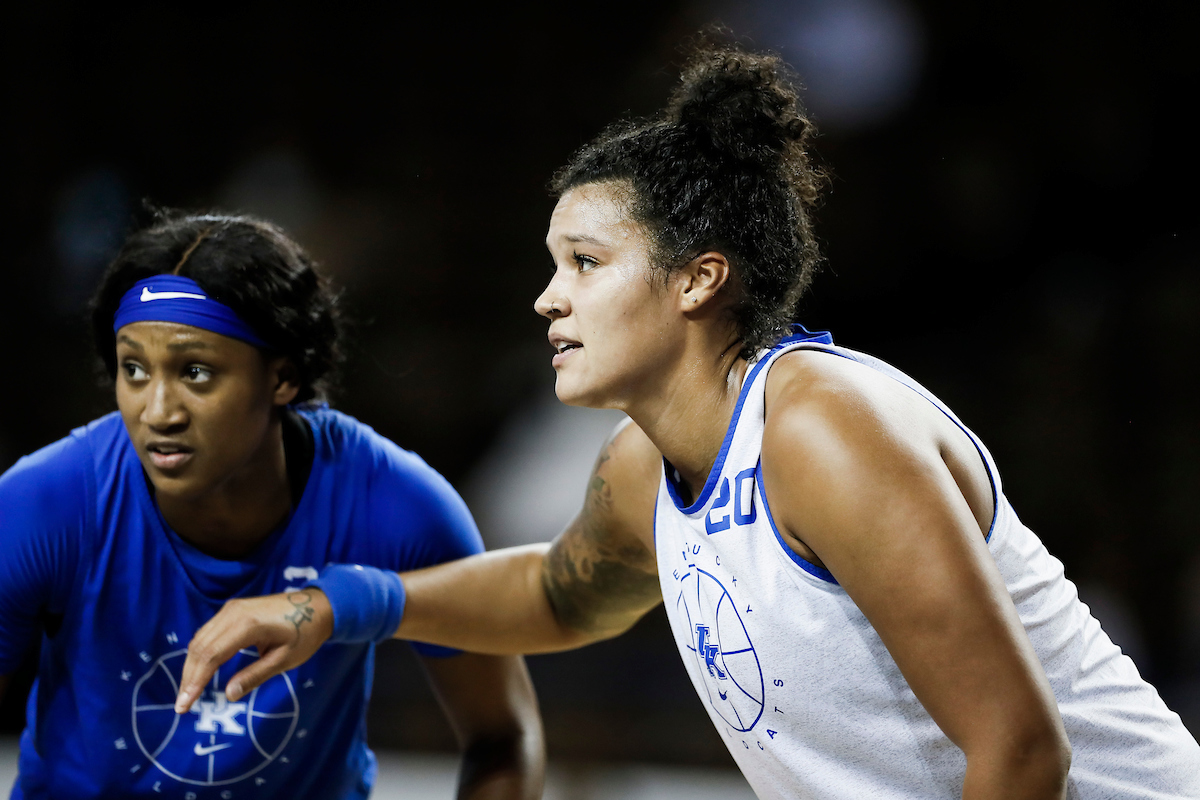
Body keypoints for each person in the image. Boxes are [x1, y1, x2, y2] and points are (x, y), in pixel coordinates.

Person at [175, 42, 1200, 799]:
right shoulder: (641, 467)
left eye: (584, 261)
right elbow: (557, 594)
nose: (546, 297)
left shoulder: (824, 430)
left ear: (698, 280)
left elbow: (1022, 750)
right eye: (549, 263)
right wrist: (337, 604)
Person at [0, 212, 545, 799]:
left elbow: (502, 737)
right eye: (134, 369)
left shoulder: (396, 505)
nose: (158, 411)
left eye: (196, 372)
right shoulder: (43, 504)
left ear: (283, 376)